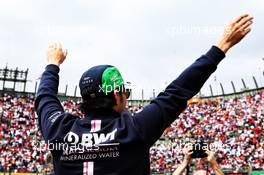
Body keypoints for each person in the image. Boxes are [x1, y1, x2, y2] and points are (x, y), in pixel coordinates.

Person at [35, 14, 253, 175]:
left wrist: (52, 64)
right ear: (117, 94)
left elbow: (45, 98)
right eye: (125, 92)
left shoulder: (58, 129)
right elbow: (178, 91)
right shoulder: (134, 129)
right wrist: (222, 45)